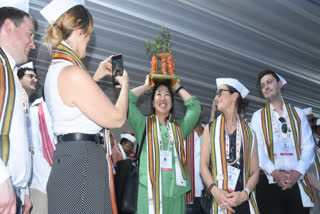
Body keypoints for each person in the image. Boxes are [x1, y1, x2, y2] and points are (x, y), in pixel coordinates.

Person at [40, 0, 129, 213]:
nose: (88, 41)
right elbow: (117, 118)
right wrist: (124, 85)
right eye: (88, 35)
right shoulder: (73, 73)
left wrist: (94, 77)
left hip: (71, 160)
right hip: (82, 164)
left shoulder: (58, 69)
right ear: (80, 32)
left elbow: (78, 107)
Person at [127, 76, 201, 213]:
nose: (163, 98)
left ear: (172, 103)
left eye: (167, 95)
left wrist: (177, 87)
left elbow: (195, 108)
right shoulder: (143, 124)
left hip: (175, 195)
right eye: (158, 94)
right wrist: (146, 86)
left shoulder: (180, 127)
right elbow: (127, 101)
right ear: (153, 102)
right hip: (148, 193)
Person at [251, 70, 315, 214]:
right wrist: (275, 173)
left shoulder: (298, 114)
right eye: (262, 85)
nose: (266, 87)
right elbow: (258, 149)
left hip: (297, 181)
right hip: (269, 182)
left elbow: (309, 146)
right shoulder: (258, 116)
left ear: (279, 84)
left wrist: (297, 172)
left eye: (269, 82)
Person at [200, 78, 259, 214]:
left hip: (243, 200)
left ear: (234, 96)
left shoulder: (250, 133)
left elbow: (255, 172)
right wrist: (215, 191)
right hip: (219, 199)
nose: (216, 97)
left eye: (220, 92)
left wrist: (245, 193)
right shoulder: (211, 128)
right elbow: (203, 165)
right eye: (216, 94)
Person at [0, 1, 37, 213]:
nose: (32, 44)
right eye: (29, 34)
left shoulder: (10, 72)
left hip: (14, 190)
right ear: (8, 26)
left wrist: (24, 191)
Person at [18, 61, 54, 214]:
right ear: (18, 78)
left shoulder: (35, 109)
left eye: (36, 76)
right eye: (30, 76)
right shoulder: (15, 106)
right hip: (28, 182)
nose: (35, 79)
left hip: (40, 181)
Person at [185, 108, 205, 214]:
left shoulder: (209, 132)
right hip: (189, 193)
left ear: (202, 113)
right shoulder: (183, 133)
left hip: (209, 192)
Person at [303, 107, 320, 214]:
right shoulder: (300, 143)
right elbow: (307, 170)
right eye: (310, 121)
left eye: (313, 121)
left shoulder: (313, 140)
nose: (313, 124)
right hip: (309, 187)